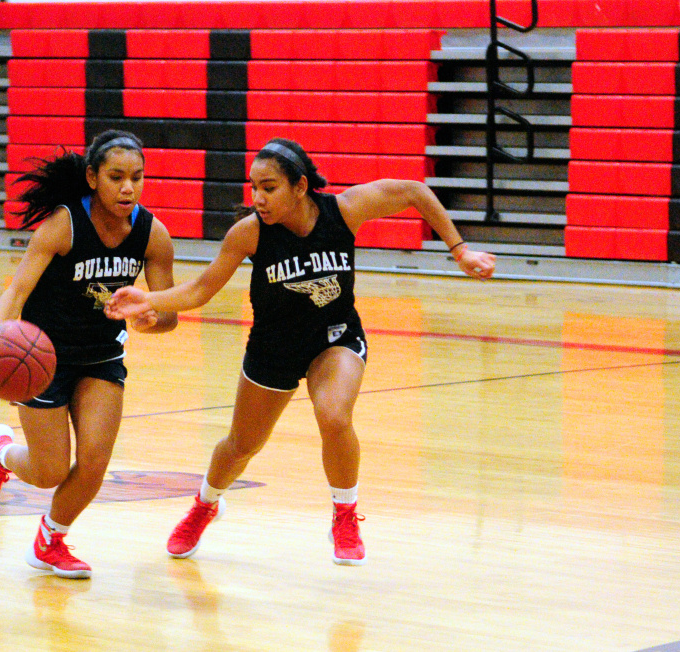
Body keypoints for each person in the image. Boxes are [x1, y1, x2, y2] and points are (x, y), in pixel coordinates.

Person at [103, 137, 495, 565]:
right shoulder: (249, 233)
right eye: (254, 188)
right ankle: (205, 504)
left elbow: (415, 192)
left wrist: (460, 250)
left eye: (269, 188)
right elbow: (200, 289)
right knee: (241, 445)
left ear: (301, 186)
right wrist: (148, 300)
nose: (258, 198)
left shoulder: (343, 211)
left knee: (334, 415)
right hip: (273, 348)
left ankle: (344, 514)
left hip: (335, 337)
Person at [0, 130, 178, 579]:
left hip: (101, 356)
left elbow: (169, 311)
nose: (128, 187)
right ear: (93, 177)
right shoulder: (63, 224)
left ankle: (49, 541)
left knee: (95, 460)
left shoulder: (152, 233)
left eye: (137, 177)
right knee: (49, 471)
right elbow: (17, 291)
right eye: (117, 177)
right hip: (41, 357)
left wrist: (149, 317)